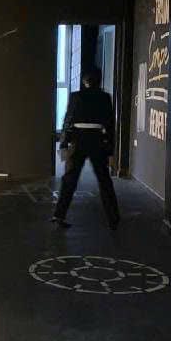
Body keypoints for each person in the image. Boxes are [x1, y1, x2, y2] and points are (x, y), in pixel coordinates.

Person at [52, 66, 120, 229]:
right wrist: (110, 149)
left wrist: (63, 142)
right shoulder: (105, 97)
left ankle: (59, 215)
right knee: (104, 180)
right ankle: (113, 218)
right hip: (97, 139)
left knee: (70, 179)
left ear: (84, 81)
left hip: (78, 139)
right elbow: (110, 125)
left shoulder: (76, 96)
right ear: (99, 80)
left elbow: (68, 120)